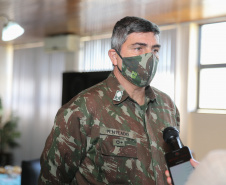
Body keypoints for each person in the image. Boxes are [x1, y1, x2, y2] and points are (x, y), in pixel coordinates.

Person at [38, 16, 180, 185]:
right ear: (114, 56)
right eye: (138, 49)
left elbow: (173, 165)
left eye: (155, 50)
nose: (149, 58)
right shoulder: (83, 108)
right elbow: (52, 179)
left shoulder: (167, 106)